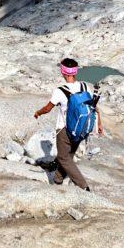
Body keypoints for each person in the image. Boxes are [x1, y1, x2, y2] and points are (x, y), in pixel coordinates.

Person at [32, 57, 102, 191]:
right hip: (81, 128)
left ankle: (84, 187)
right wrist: (99, 123)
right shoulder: (84, 86)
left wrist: (38, 113)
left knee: (64, 158)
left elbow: (47, 108)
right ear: (75, 72)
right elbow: (93, 106)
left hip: (65, 130)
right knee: (67, 156)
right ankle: (57, 180)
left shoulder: (60, 90)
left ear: (63, 72)